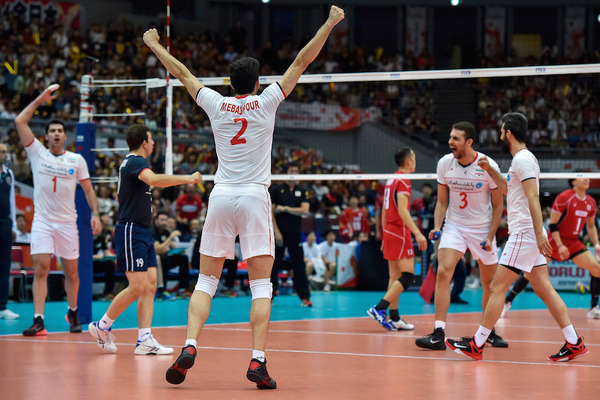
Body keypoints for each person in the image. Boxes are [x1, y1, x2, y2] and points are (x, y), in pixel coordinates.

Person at [143, 5, 344, 389]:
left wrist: (153, 43)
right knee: (261, 286)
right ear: (257, 82)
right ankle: (257, 361)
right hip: (253, 196)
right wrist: (330, 23)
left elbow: (182, 72)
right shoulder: (268, 100)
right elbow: (302, 60)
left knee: (205, 280)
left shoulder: (215, 103)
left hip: (220, 195)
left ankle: (189, 344)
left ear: (229, 82)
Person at [446, 112, 588, 362]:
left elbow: (533, 197)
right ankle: (574, 341)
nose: (500, 135)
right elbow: (506, 187)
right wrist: (490, 169)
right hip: (529, 234)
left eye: (501, 131)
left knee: (497, 286)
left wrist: (536, 232)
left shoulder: (522, 160)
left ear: (508, 133)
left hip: (524, 233)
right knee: (545, 290)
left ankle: (477, 344)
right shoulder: (521, 160)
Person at [88, 123, 202, 354]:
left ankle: (144, 339)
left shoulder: (132, 162)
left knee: (150, 285)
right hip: (131, 230)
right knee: (138, 286)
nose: (153, 143)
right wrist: (188, 179)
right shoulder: (136, 162)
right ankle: (102, 326)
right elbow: (154, 180)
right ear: (143, 142)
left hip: (142, 230)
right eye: (150, 140)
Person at [15, 85, 102, 336]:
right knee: (40, 269)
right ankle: (39, 320)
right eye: (52, 130)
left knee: (72, 274)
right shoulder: (37, 153)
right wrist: (40, 99)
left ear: (65, 136)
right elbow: (21, 120)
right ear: (46, 136)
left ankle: (72, 312)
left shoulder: (77, 160)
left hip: (67, 223)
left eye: (60, 131)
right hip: (42, 221)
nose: (56, 134)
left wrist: (95, 213)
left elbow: (88, 190)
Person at [415, 122, 507, 350]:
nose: (450, 142)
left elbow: (498, 207)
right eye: (450, 137)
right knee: (444, 272)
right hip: (454, 226)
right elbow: (442, 201)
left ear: (469, 142)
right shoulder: (445, 163)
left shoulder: (487, 165)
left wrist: (490, 235)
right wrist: (438, 225)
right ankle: (438, 333)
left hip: (482, 229)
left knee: (489, 283)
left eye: (456, 138)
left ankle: (489, 332)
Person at [502, 177, 600, 319]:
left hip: (573, 242)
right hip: (554, 240)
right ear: (573, 182)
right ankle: (507, 301)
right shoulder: (564, 198)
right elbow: (553, 225)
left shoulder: (590, 202)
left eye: (586, 177)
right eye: (581, 177)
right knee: (530, 271)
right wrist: (560, 245)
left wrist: (596, 243)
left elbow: (591, 226)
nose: (586, 179)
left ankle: (593, 308)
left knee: (596, 268)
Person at [367, 148, 427, 331]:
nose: (415, 162)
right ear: (408, 162)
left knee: (395, 276)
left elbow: (385, 210)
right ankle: (379, 309)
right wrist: (417, 232)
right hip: (400, 231)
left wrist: (385, 234)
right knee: (408, 276)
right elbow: (402, 211)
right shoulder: (403, 180)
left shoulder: (390, 179)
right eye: (414, 158)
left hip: (390, 231)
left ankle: (394, 317)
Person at [271, 161, 312, 306]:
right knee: (273, 264)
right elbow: (271, 212)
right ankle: (269, 297)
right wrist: (276, 232)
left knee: (299, 264)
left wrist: (285, 208)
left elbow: (305, 210)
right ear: (285, 173)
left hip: (295, 233)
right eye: (291, 170)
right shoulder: (276, 190)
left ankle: (305, 297)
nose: (294, 173)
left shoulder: (302, 190)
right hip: (279, 233)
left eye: (296, 170)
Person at [0, 142, 19, 320]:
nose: (5, 154)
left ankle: (2, 306)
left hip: (5, 224)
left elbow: (12, 200)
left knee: (4, 266)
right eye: (2, 152)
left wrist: (12, 225)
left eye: (6, 151)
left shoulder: (9, 174)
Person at [92, 212, 116, 300]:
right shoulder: (86, 237)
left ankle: (107, 292)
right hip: (85, 263)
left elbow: (106, 253)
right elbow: (81, 256)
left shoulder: (101, 238)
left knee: (110, 264)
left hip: (96, 263)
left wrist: (114, 257)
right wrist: (95, 257)